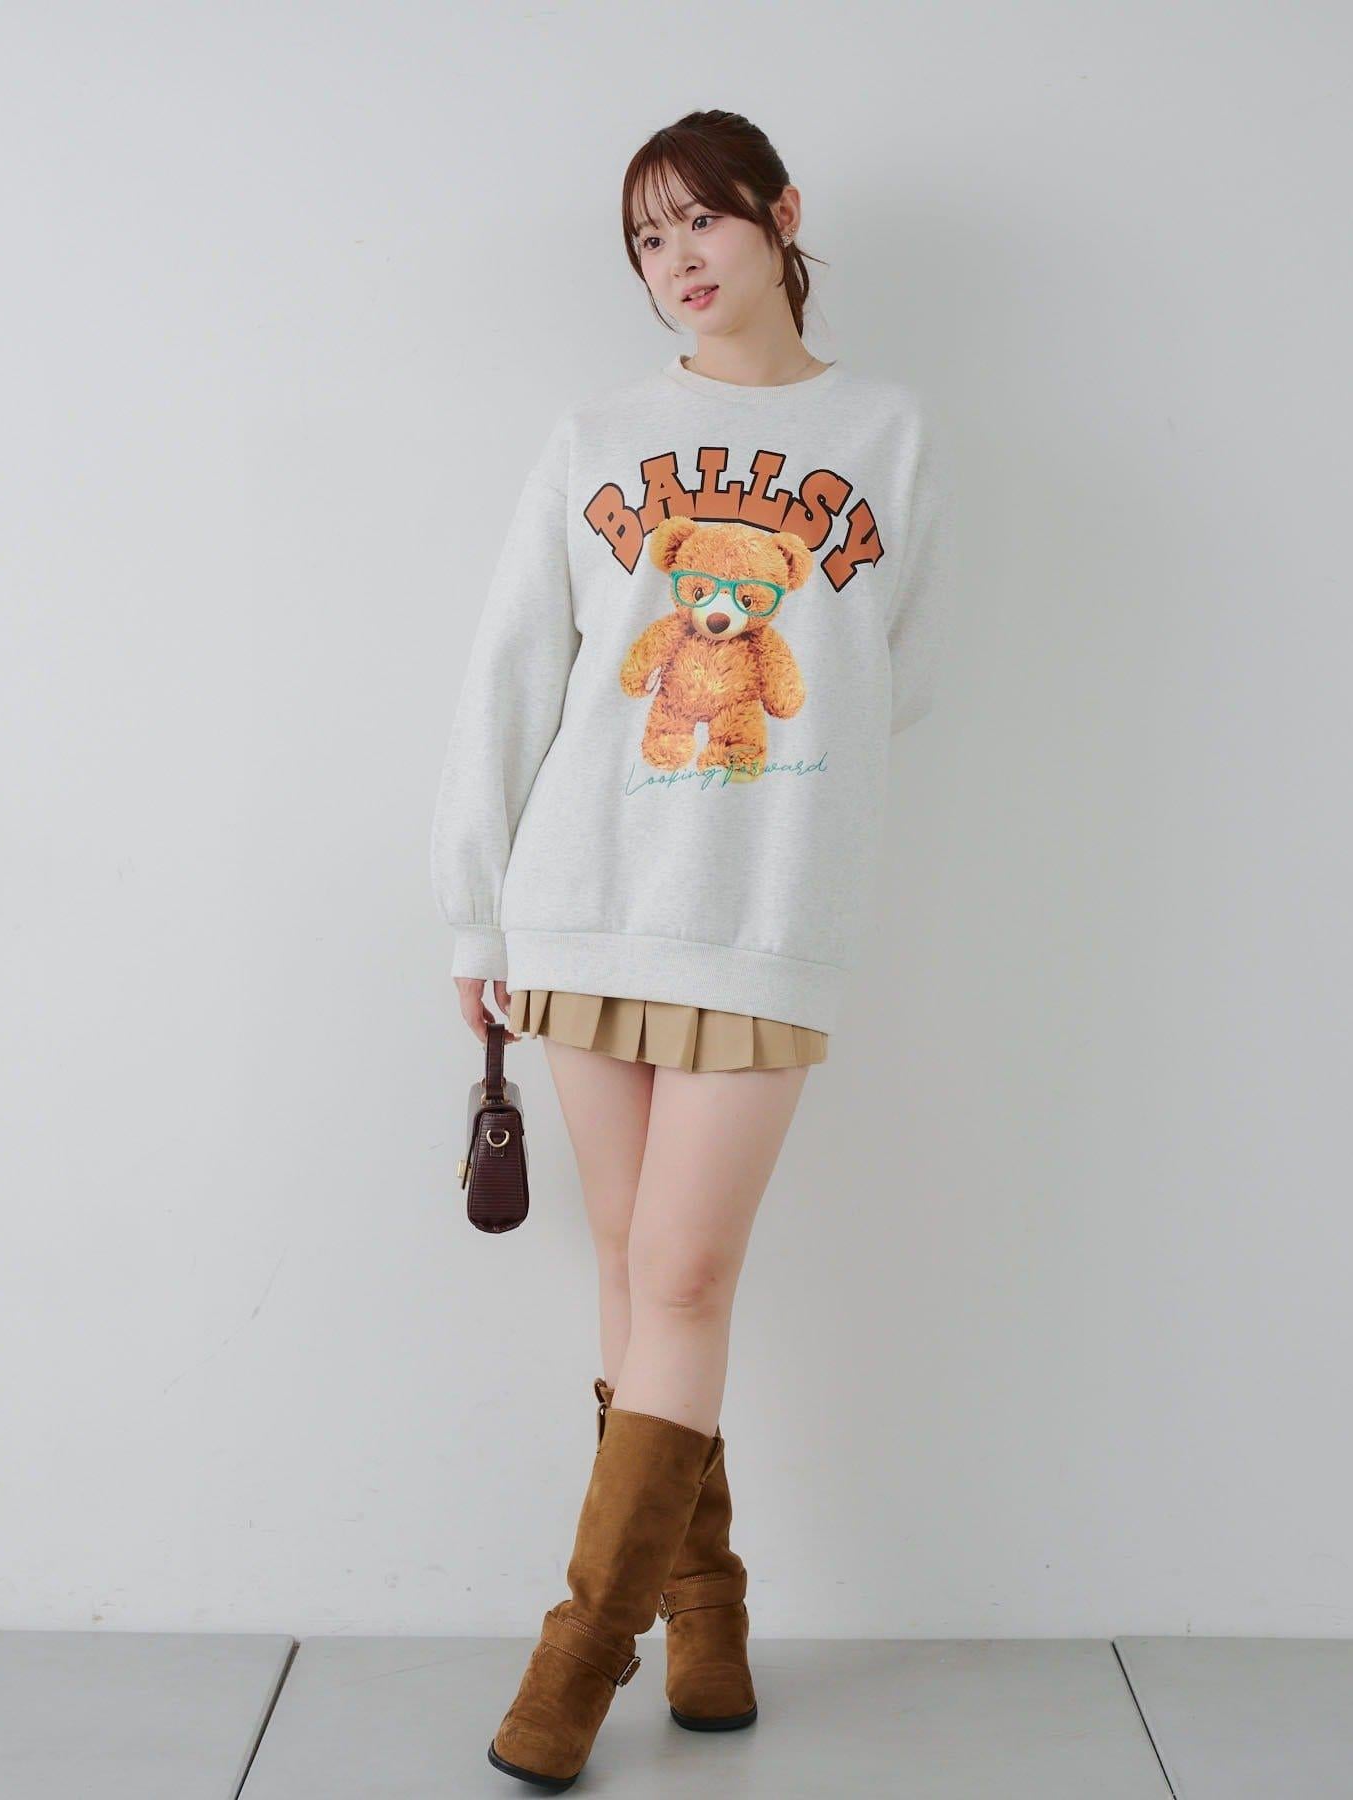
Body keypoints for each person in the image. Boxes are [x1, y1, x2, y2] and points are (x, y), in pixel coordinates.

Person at [430, 108, 957, 1792]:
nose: (678, 261)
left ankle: (580, 1654)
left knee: (681, 1275)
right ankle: (705, 1613)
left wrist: (775, 801)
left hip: (763, 912)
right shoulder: (597, 435)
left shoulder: (887, 431)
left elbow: (898, 672)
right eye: (648, 241)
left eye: (703, 221)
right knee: (628, 1270)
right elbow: (515, 671)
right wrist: (474, 907)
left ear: (781, 214)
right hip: (583, 894)